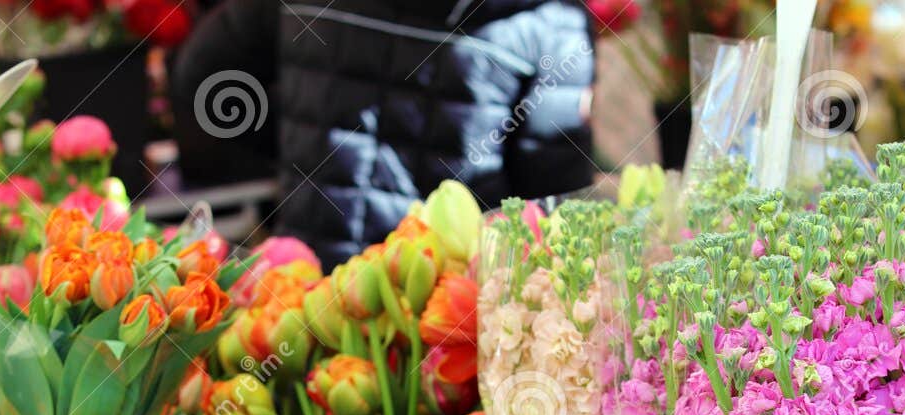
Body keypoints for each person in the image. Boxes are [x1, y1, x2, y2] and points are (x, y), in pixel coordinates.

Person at [173, 0, 595, 266]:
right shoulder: (553, 23)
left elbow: (204, 80)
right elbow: (556, 208)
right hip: (448, 319)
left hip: (311, 294)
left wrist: (296, 144)